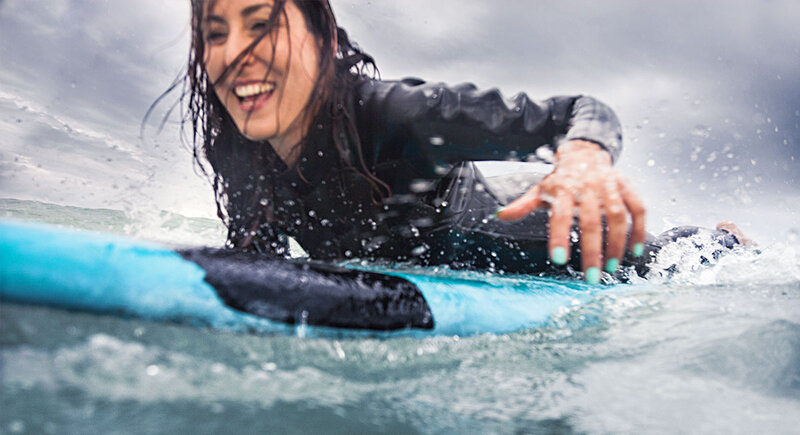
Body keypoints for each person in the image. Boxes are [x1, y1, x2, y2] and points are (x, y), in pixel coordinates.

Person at [177, 0, 737, 284]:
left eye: (261, 24)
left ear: (321, 39)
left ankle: (722, 237)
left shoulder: (401, 115)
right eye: (215, 34)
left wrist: (585, 158)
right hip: (432, 266)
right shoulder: (238, 150)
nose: (236, 53)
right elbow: (255, 265)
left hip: (557, 247)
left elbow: (577, 113)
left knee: (664, 261)